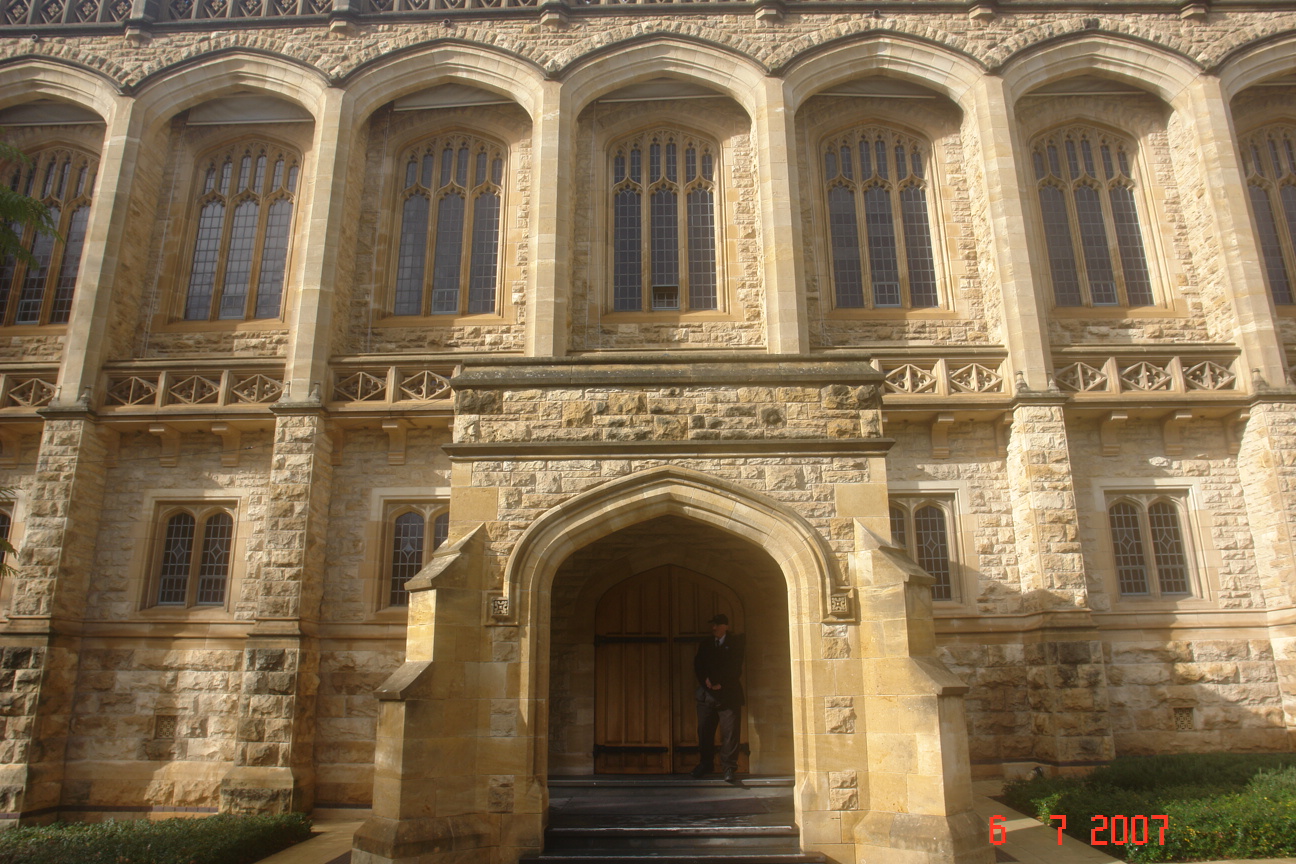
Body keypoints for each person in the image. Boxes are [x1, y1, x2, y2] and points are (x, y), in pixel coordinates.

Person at [691, 613, 745, 782]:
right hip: (707, 695)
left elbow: (736, 667)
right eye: (713, 625)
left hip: (728, 694)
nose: (714, 628)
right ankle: (705, 764)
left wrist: (721, 683)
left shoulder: (735, 643)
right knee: (704, 731)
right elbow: (698, 665)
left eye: (717, 625)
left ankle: (728, 767)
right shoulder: (706, 644)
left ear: (726, 627)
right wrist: (706, 681)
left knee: (730, 732)